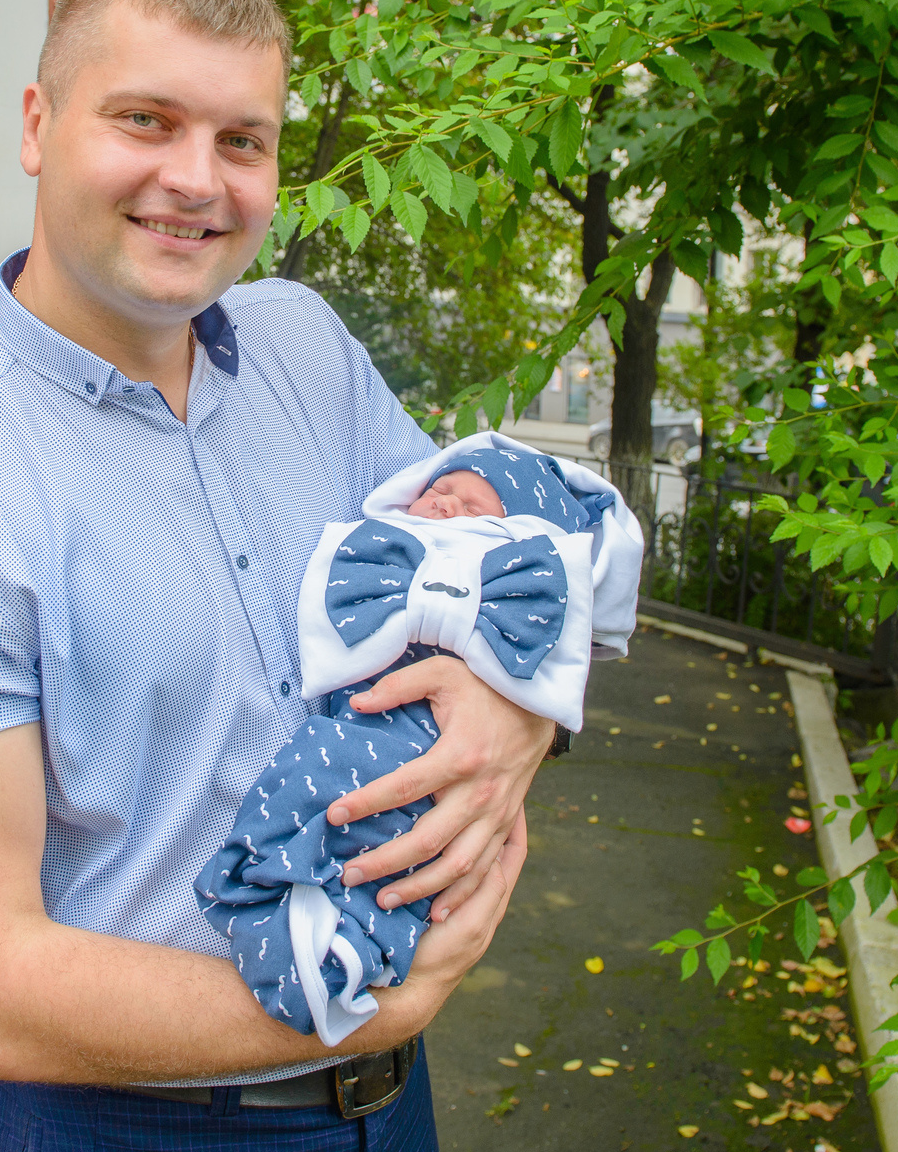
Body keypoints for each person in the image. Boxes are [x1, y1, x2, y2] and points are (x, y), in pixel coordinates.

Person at [0, 0, 557, 1152]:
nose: (196, 181)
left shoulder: (306, 348)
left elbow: (483, 571)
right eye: (145, 119)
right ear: (40, 126)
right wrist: (368, 1003)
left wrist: (515, 718)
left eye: (243, 139)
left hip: (393, 1137)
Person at [198, 436, 644, 1046]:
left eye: (475, 509)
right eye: (438, 491)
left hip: (395, 1099)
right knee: (324, 790)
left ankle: (345, 946)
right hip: (139, 1102)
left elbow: (569, 635)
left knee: (398, 844)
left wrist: (529, 714)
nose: (444, 506)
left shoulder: (330, 371)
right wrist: (415, 1001)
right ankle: (279, 902)